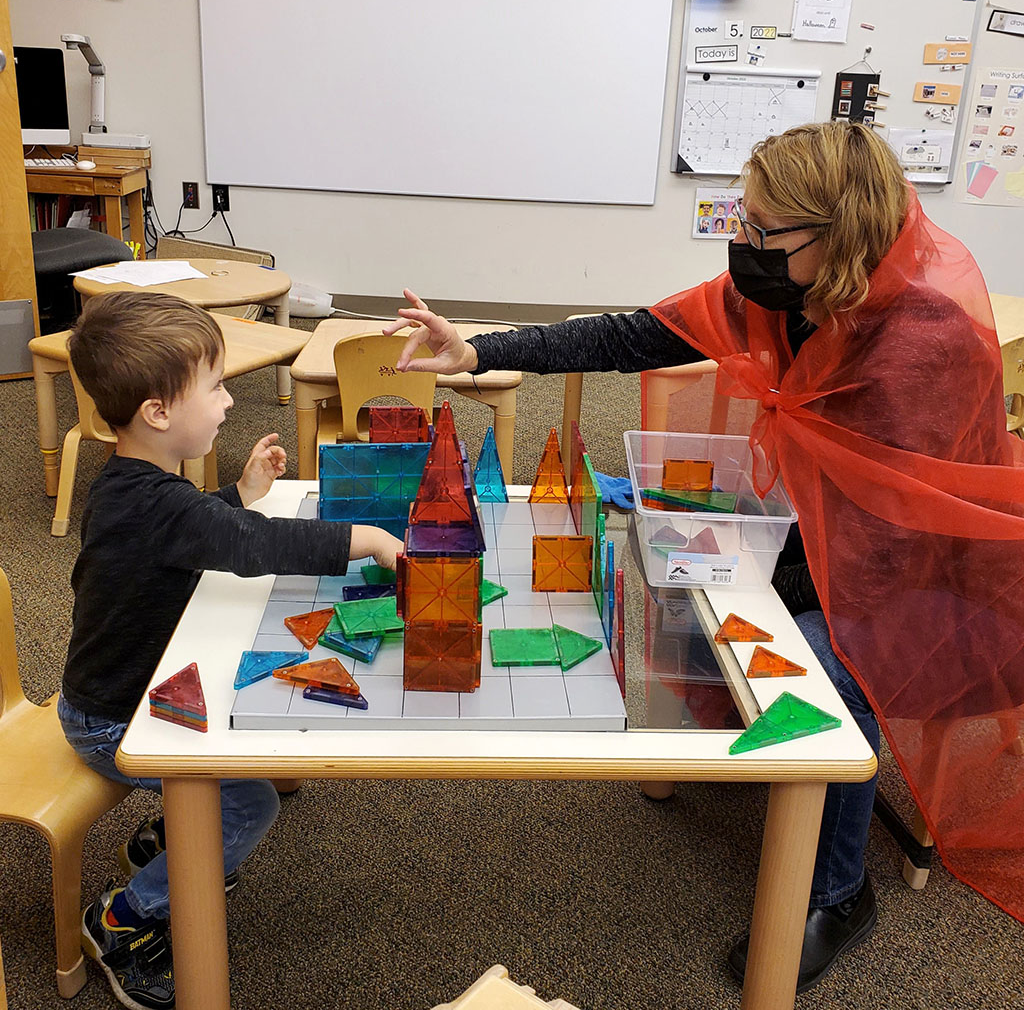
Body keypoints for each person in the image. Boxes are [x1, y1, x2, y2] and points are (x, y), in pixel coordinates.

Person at [385, 121, 1024, 991]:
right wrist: (480, 350)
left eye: (765, 231)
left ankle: (838, 891)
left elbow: (888, 563)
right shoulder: (786, 291)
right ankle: (750, 727)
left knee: (822, 670)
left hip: (941, 577)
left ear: (838, 238)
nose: (744, 246)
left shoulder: (921, 346)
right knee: (688, 575)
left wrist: (753, 589)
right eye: (742, 220)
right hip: (842, 534)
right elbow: (631, 335)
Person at [60, 293, 403, 1010]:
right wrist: (366, 540)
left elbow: (198, 529)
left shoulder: (132, 485)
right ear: (158, 412)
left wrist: (241, 492)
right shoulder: (160, 505)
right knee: (249, 804)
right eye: (214, 387)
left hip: (112, 692)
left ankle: (169, 843)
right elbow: (251, 548)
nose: (227, 400)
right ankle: (125, 919)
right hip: (114, 722)